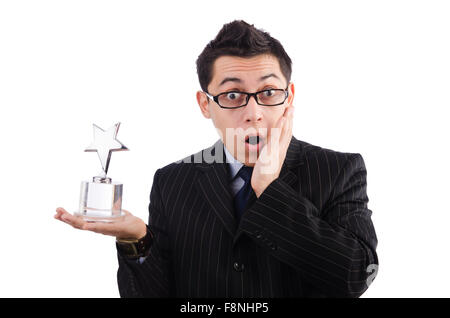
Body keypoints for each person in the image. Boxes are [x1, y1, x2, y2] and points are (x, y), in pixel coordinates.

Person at [55, 20, 378, 297]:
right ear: (205, 104)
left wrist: (269, 188)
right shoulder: (172, 181)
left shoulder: (339, 171)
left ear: (288, 97)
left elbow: (355, 275)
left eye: (268, 93)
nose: (253, 114)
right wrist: (136, 239)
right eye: (233, 95)